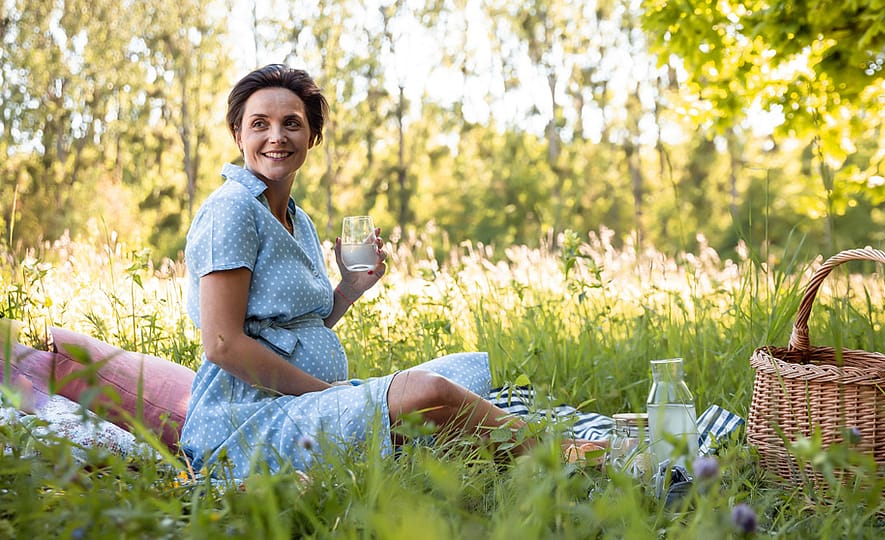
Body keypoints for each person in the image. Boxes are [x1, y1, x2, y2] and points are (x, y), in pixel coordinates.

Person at [179, 64, 600, 477]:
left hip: (299, 402)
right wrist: (330, 394)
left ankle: (520, 460)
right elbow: (223, 344)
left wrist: (348, 288)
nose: (276, 136)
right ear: (238, 134)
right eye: (259, 124)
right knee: (429, 390)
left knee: (454, 374)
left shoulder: (295, 217)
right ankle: (557, 455)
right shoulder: (232, 209)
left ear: (312, 136)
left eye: (292, 123)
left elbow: (290, 331)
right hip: (247, 418)